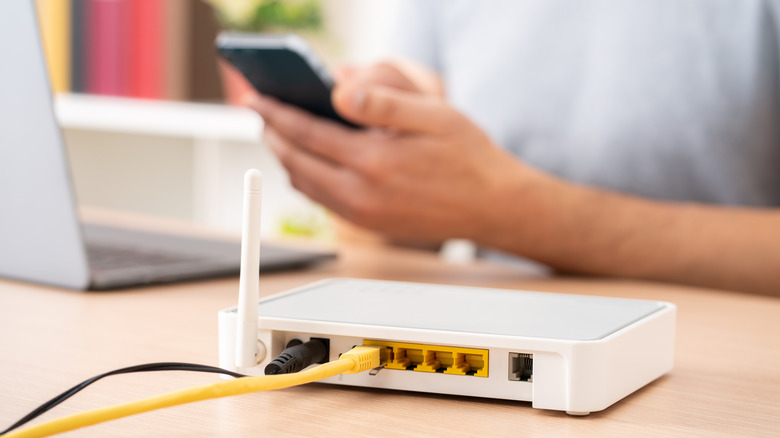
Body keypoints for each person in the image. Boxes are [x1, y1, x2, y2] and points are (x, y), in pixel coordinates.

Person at [246, 0, 780, 296]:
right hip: (496, 336)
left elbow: (487, 201)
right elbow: (407, 241)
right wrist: (383, 170)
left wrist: (512, 214)